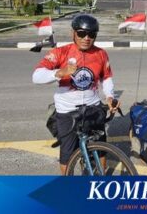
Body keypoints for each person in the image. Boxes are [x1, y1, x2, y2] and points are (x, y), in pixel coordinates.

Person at [32, 14, 119, 174]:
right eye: (81, 33)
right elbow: (36, 76)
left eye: (91, 34)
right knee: (67, 153)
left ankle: (100, 177)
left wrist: (110, 96)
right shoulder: (61, 52)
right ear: (73, 33)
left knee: (100, 148)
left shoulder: (101, 53)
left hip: (93, 108)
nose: (86, 38)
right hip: (67, 112)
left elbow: (106, 78)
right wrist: (59, 72)